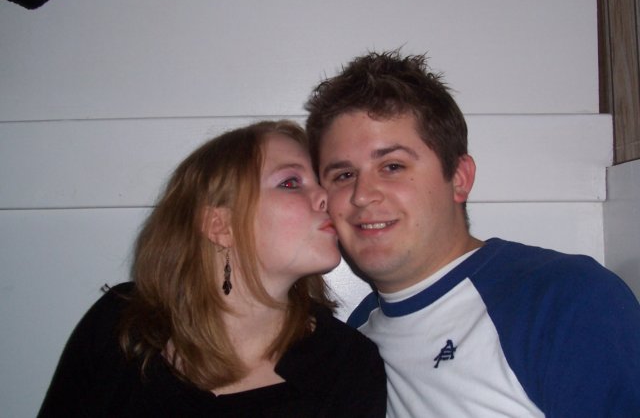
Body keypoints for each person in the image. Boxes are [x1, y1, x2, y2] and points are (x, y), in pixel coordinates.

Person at [304, 50, 640, 417]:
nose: (362, 194)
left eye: (393, 166)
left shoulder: (564, 300)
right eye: (344, 175)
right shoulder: (357, 339)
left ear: (459, 178)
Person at [38, 120, 387, 417]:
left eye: (321, 182)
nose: (327, 196)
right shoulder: (124, 324)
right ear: (220, 225)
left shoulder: (346, 364)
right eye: (290, 182)